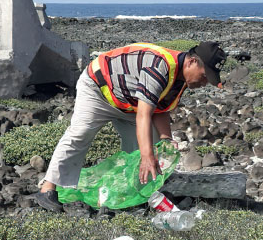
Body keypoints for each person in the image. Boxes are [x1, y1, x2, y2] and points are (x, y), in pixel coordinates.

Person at [35, 41, 227, 212]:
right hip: (98, 89)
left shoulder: (182, 79)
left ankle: (130, 196)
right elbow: (144, 115)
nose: (204, 83)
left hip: (128, 103)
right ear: (192, 62)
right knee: (80, 134)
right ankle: (47, 189)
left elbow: (160, 108)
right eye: (204, 77)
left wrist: (166, 139)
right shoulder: (159, 67)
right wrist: (147, 156)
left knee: (141, 147)